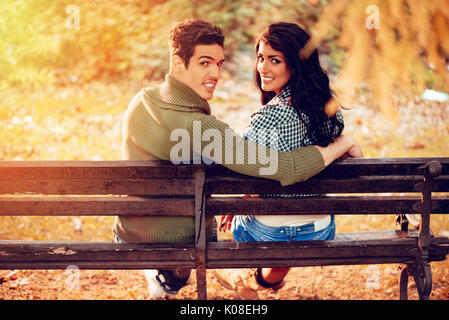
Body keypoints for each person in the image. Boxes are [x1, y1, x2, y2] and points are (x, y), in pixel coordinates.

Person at [113, 19, 362, 299]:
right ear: (178, 63)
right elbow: (289, 168)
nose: (216, 73)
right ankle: (176, 274)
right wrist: (342, 143)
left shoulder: (141, 99)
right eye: (204, 63)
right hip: (179, 240)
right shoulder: (204, 129)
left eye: (219, 63)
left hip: (128, 231)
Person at [215, 22, 362, 299]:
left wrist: (237, 203)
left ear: (295, 64)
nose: (264, 68)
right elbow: (355, 165)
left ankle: (248, 283)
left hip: (267, 230)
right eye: (261, 58)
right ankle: (263, 280)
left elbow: (248, 176)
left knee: (243, 222)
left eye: (274, 60)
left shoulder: (266, 118)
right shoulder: (328, 107)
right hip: (319, 228)